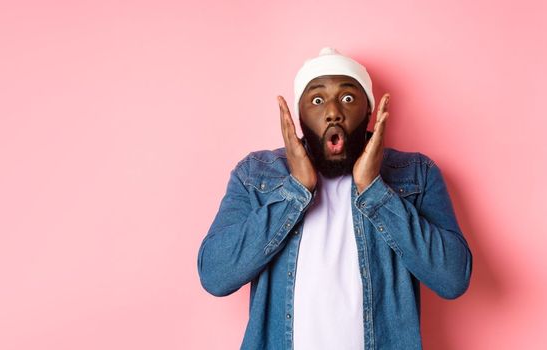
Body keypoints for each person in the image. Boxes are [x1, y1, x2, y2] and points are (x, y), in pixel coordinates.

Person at [196, 47, 473, 349]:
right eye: (317, 100)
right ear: (299, 115)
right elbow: (216, 275)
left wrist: (374, 190)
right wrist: (296, 190)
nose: (333, 111)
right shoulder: (256, 174)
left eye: (348, 98)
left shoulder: (416, 174)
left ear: (368, 111)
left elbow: (453, 278)